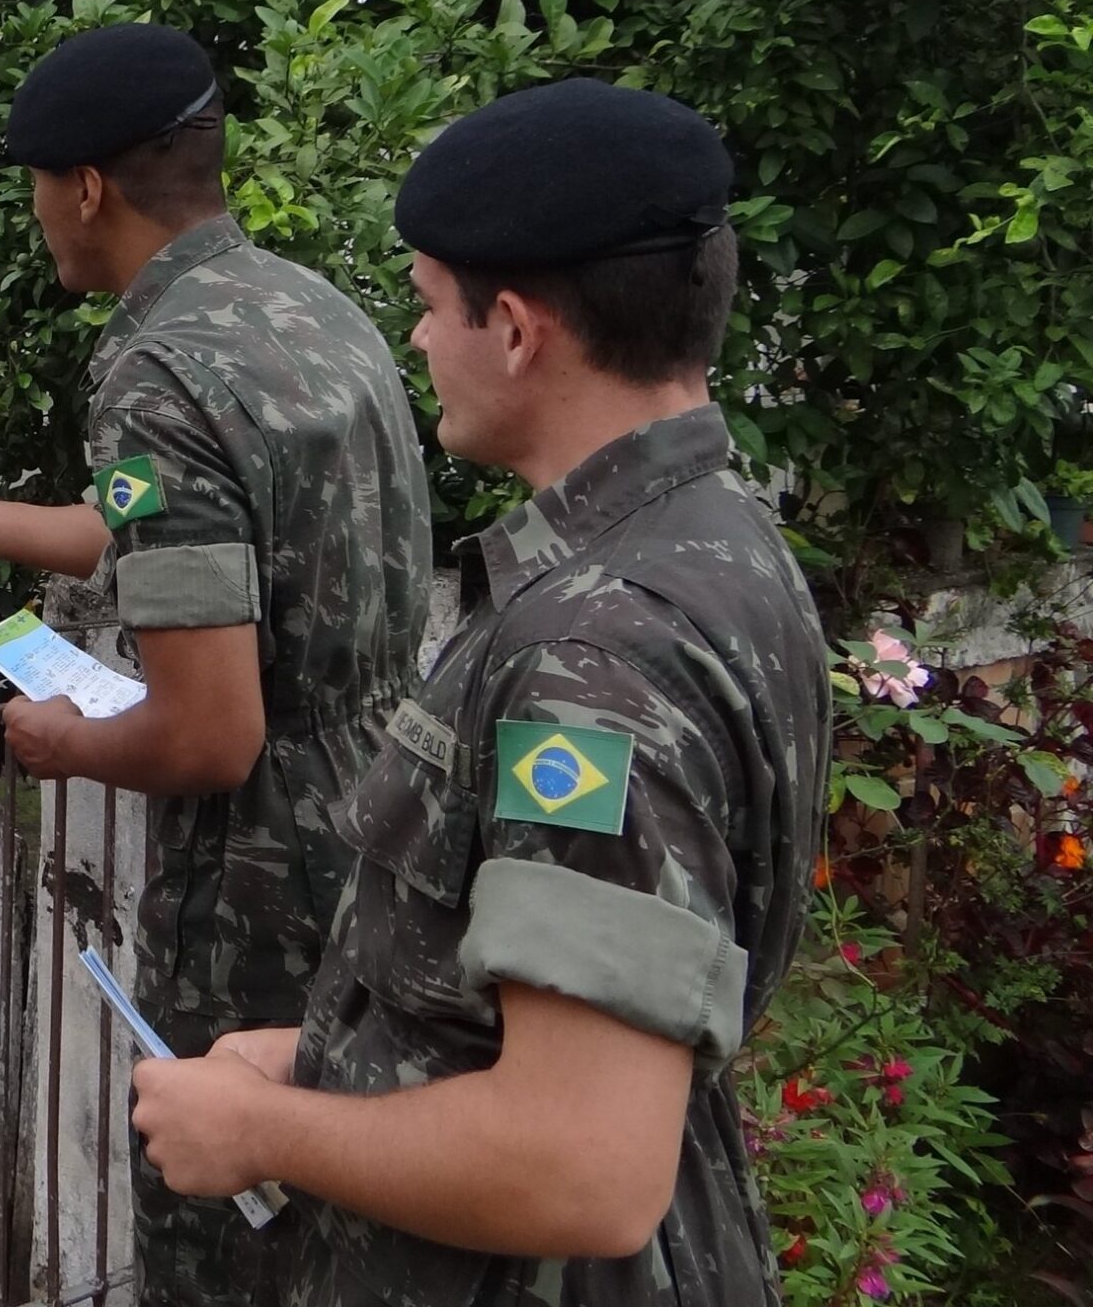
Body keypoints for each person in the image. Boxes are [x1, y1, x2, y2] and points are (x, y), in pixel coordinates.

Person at [128, 78, 830, 1307]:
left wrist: (263, 1134)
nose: (414, 343)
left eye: (425, 306)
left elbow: (581, 1166)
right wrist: (322, 1055)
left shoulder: (601, 653)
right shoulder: (715, 539)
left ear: (513, 328)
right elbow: (547, 1016)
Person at [0, 22, 431, 1307]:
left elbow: (210, 738)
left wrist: (61, 743)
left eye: (40, 187)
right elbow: (178, 540)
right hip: (388, 819)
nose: (41, 216)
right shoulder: (305, 309)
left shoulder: (158, 369)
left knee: (230, 1231)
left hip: (262, 876)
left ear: (84, 187)